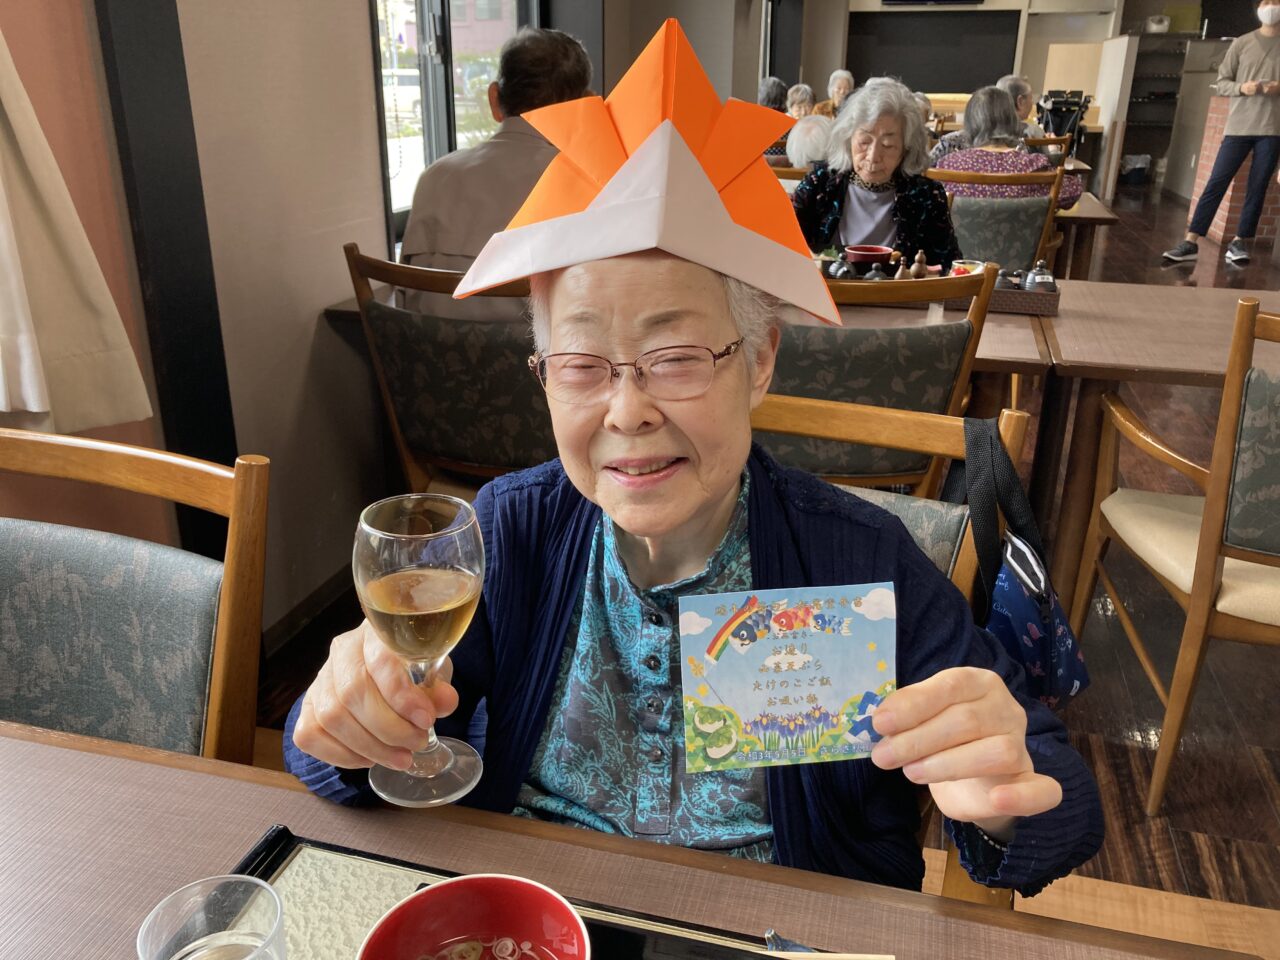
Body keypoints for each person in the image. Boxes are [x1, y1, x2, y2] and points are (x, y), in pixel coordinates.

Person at [285, 20, 1102, 896]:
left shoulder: (853, 557)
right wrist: (348, 716)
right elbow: (350, 756)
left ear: (760, 361)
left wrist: (1004, 792)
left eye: (675, 359)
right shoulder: (512, 531)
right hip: (538, 917)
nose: (628, 411)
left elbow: (1064, 803)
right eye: (581, 364)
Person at [399, 28, 591, 320]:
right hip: (530, 350)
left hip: (423, 349)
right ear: (585, 107)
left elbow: (404, 296)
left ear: (494, 99)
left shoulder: (433, 177)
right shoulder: (585, 183)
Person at [791, 77, 962, 267]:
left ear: (906, 149)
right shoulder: (820, 183)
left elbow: (948, 267)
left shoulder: (926, 195)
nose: (873, 157)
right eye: (864, 142)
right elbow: (781, 243)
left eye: (888, 145)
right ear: (848, 140)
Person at [1163, 0, 1280, 264]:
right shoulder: (1242, 43)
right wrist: (1242, 88)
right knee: (1217, 181)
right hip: (1238, 126)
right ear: (1259, 6)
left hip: (1272, 129)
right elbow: (1222, 83)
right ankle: (1191, 241)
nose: (1272, 6)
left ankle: (1240, 242)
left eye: (1276, 1)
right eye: (1267, 1)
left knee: (1258, 186)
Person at [934, 86, 1082, 208]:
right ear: (1013, 121)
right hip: (1023, 236)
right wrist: (1054, 152)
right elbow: (1073, 191)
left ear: (970, 123)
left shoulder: (948, 165)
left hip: (960, 236)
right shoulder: (1036, 165)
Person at [996, 74, 1047, 139]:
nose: (1032, 103)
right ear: (1020, 101)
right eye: (1031, 98)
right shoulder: (1033, 132)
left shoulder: (986, 130)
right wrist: (1052, 144)